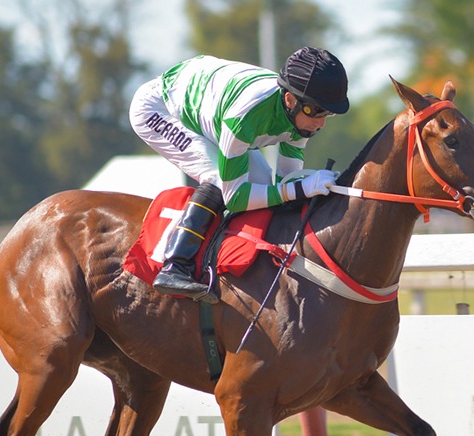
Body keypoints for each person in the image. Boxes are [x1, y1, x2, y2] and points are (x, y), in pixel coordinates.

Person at [129, 46, 350, 304]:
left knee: (262, 183)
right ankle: (175, 265)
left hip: (209, 106)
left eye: (327, 113)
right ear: (290, 100)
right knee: (217, 178)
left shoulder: (299, 114)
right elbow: (235, 198)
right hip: (159, 108)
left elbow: (285, 181)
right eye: (316, 111)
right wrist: (299, 189)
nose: (321, 122)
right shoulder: (246, 115)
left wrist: (306, 189)